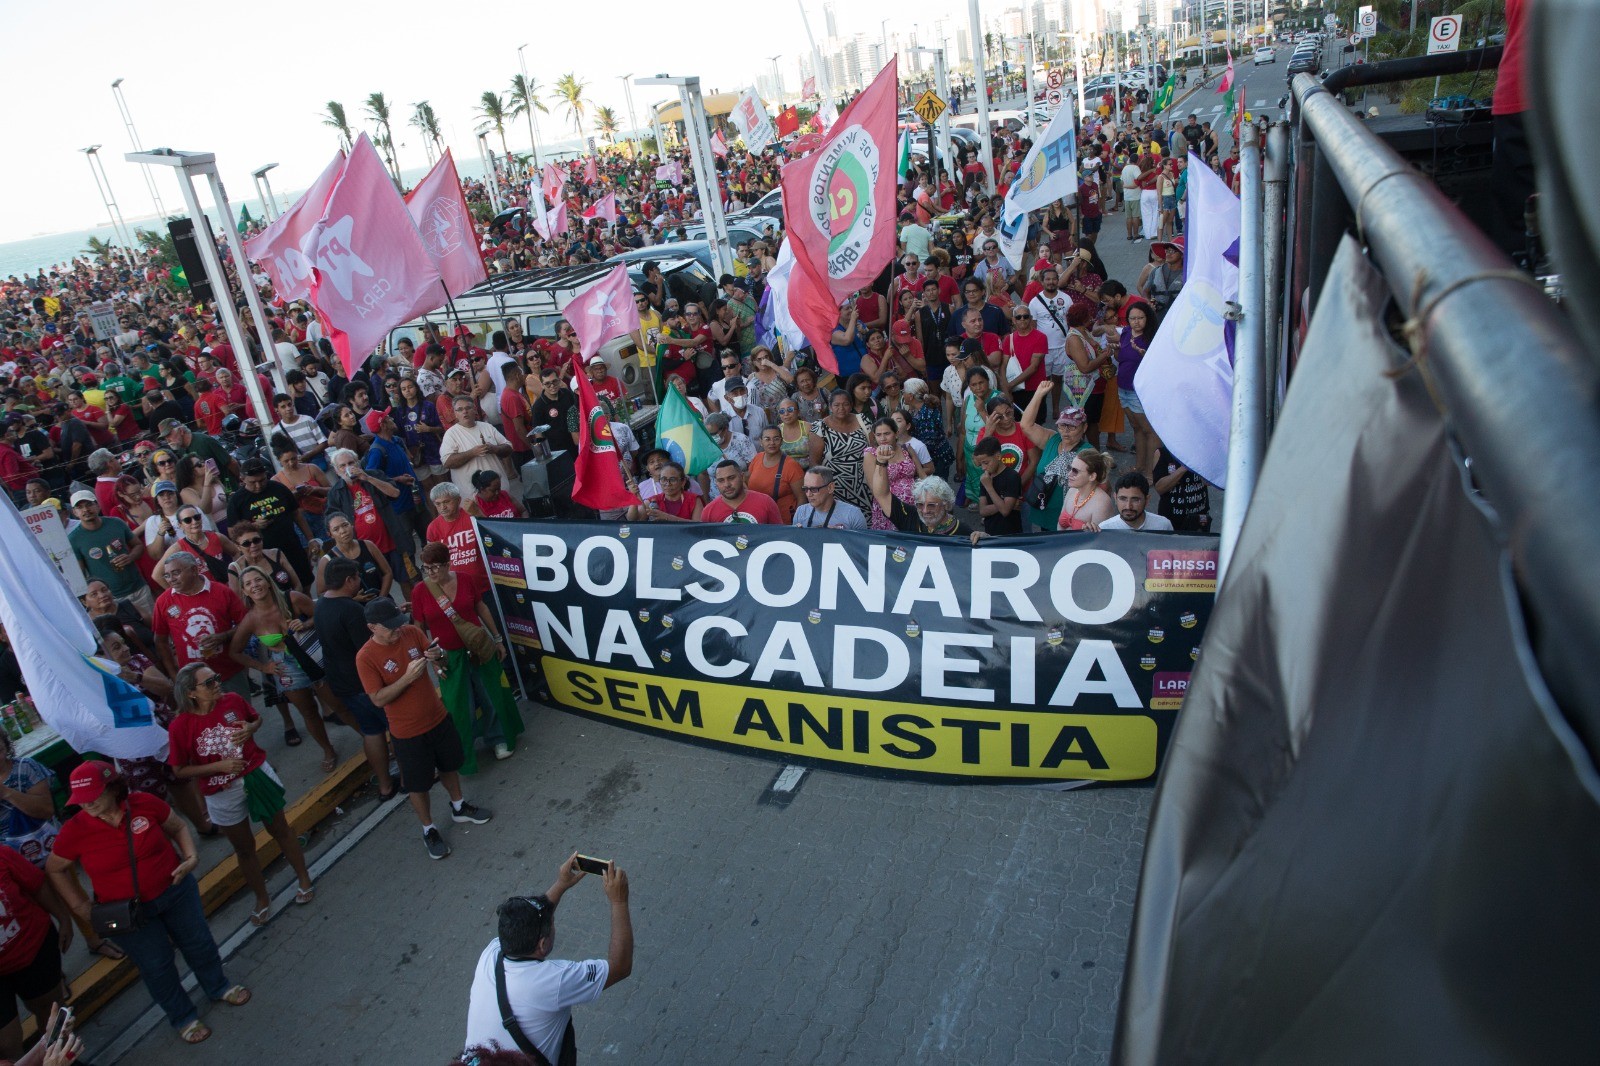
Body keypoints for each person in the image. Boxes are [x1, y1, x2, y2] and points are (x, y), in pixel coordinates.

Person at [46, 762, 251, 1045]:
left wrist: (190, 857)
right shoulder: (75, 830)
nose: (87, 803)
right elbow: (55, 868)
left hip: (176, 892)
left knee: (199, 942)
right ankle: (182, 1016)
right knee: (156, 965)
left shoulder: (143, 803)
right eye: (81, 799)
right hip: (128, 915)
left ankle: (218, 986)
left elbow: (178, 827)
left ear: (113, 788)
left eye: (94, 795)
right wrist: (81, 908)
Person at [165, 663, 315, 928]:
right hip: (221, 792)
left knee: (280, 830)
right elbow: (178, 769)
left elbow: (256, 718)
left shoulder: (233, 700)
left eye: (216, 678)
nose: (217, 684)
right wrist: (218, 767)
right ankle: (261, 897)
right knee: (244, 849)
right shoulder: (180, 727)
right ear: (190, 693)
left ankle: (303, 878)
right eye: (209, 682)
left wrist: (251, 728)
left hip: (255, 773)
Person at [463, 854, 633, 1064]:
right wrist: (618, 901)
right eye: (552, 922)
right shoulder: (554, 980)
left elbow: (534, 917)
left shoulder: (492, 952)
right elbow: (620, 967)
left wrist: (561, 884)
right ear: (542, 945)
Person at [356, 598, 492, 860]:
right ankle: (428, 829)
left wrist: (437, 655)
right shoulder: (365, 657)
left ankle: (459, 806)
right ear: (372, 627)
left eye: (398, 622)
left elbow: (439, 657)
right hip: (407, 732)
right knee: (418, 785)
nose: (398, 629)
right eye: (390, 626)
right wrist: (407, 678)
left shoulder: (411, 632)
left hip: (438, 718)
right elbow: (378, 699)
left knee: (449, 765)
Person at [411, 543, 524, 771]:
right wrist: (432, 661)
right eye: (426, 568)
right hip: (448, 656)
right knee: (459, 706)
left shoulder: (465, 579)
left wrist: (497, 639)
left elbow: (481, 607)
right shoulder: (420, 591)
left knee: (491, 694)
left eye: (435, 567)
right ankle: (464, 749)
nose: (431, 572)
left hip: (479, 649)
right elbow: (418, 627)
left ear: (448, 564)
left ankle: (498, 738)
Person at [229, 566, 340, 768]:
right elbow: (234, 652)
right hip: (285, 667)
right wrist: (263, 667)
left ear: (267, 581)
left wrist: (306, 624)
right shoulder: (251, 619)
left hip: (310, 655)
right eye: (248, 584)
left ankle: (369, 735)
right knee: (308, 712)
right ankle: (328, 750)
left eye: (258, 579)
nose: (255, 585)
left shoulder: (292, 598)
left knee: (338, 703)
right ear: (244, 591)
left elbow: (322, 614)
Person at [312, 559, 396, 800]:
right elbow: (369, 650)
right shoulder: (351, 610)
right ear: (349, 580)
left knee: (371, 732)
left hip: (342, 684)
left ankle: (385, 786)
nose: (360, 580)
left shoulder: (321, 605)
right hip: (365, 684)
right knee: (396, 728)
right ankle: (411, 774)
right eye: (357, 577)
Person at [0, 843, 74, 1062]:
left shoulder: (2, 855)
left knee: (53, 1012)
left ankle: (61, 1058)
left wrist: (63, 918)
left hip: (33, 947)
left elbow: (38, 885)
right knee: (6, 1043)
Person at [152, 552, 250, 701]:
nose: (171, 579)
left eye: (176, 573)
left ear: (194, 570)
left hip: (229, 672)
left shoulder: (221, 591)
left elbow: (246, 624)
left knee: (241, 712)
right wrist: (175, 675)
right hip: (194, 683)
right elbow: (160, 641)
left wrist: (223, 637)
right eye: (167, 575)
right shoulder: (163, 601)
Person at [226, 458, 316, 587]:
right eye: (253, 482)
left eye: (262, 480)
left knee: (304, 583)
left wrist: (311, 539)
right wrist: (253, 526)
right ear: (242, 479)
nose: (258, 485)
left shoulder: (278, 488)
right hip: (262, 554)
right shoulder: (237, 500)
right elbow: (232, 532)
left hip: (291, 546)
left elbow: (296, 514)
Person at [67, 491, 152, 613]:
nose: (85, 510)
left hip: (138, 589)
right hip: (110, 599)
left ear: (98, 506)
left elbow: (138, 545)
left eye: (89, 504)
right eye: (80, 507)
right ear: (74, 512)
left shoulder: (116, 523)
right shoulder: (74, 539)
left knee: (152, 623)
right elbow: (80, 574)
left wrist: (130, 557)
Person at [441, 395, 515, 498]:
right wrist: (472, 453)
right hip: (472, 496)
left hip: (499, 490)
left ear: (475, 410)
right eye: (460, 409)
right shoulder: (451, 434)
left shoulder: (487, 427)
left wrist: (495, 449)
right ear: (455, 414)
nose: (465, 412)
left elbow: (509, 448)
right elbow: (447, 462)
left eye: (468, 408)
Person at [863, 463, 963, 537]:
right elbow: (882, 495)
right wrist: (881, 462)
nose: (925, 511)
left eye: (931, 505)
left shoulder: (963, 532)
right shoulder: (909, 516)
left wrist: (974, 538)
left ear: (946, 504)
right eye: (920, 504)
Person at [155, 503, 238, 587]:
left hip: (225, 589)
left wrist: (235, 577)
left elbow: (237, 552)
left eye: (197, 517)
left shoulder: (217, 537)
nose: (194, 522)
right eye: (188, 520)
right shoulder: (178, 548)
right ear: (180, 525)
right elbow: (157, 575)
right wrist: (178, 592)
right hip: (201, 593)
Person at [744, 426, 804, 523]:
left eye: (776, 439)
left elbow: (801, 497)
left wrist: (797, 521)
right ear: (761, 441)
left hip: (782, 521)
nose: (772, 443)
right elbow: (747, 482)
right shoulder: (757, 458)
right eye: (767, 439)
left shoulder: (791, 466)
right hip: (757, 518)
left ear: (781, 441)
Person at [426, 482, 484, 575]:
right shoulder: (433, 528)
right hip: (453, 582)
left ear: (458, 500)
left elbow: (492, 537)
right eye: (438, 504)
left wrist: (478, 514)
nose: (443, 507)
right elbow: (432, 560)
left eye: (446, 502)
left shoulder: (472, 515)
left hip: (483, 579)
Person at [700, 460, 783, 524]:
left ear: (742, 477)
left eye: (731, 478)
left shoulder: (766, 502)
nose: (727, 484)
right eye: (721, 480)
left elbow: (780, 535)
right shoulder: (708, 512)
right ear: (716, 483)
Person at [972, 436, 1023, 537]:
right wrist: (1006, 505)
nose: (983, 468)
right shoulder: (985, 478)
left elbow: (1005, 511)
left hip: (1011, 534)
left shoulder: (1012, 477)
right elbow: (982, 510)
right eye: (981, 464)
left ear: (998, 456)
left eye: (986, 463)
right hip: (990, 532)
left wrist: (989, 487)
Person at [1057, 450, 1116, 531]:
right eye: (1070, 468)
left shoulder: (1102, 504)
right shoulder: (1072, 491)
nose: (1069, 474)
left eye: (1075, 471)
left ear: (1092, 476)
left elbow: (1099, 537)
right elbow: (1059, 526)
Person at [627, 461, 702, 523]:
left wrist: (667, 517)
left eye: (672, 479)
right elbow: (632, 519)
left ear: (683, 482)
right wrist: (633, 496)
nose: (667, 483)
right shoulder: (654, 501)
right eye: (663, 479)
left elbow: (699, 526)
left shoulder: (694, 500)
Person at [1098, 471, 1174, 531]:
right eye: (1123, 499)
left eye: (1135, 500)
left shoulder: (1163, 526)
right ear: (1115, 498)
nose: (1128, 506)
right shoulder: (1104, 529)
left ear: (1147, 500)